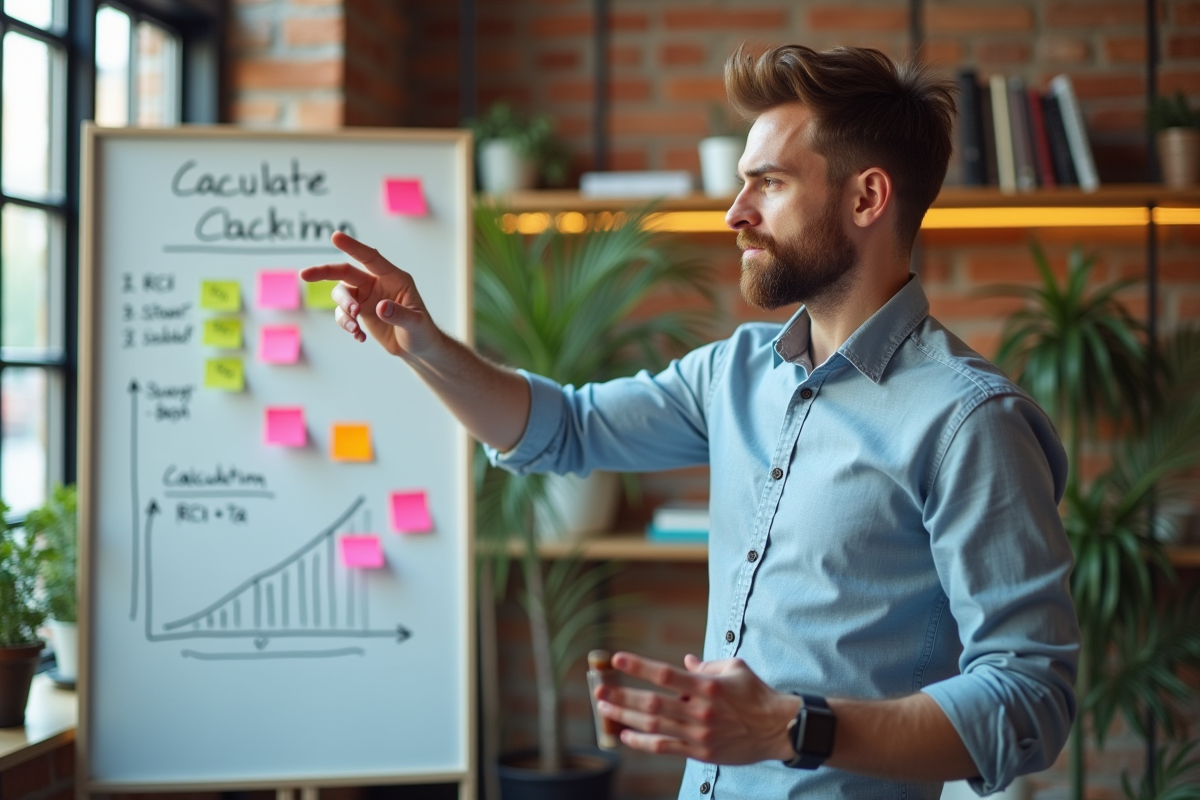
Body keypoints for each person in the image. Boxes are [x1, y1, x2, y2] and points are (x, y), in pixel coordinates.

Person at [301, 44, 1078, 800]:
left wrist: (791, 728)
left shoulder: (970, 420)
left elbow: (1030, 700)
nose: (735, 213)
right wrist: (423, 347)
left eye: (766, 184)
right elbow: (563, 429)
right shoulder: (735, 371)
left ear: (866, 198)